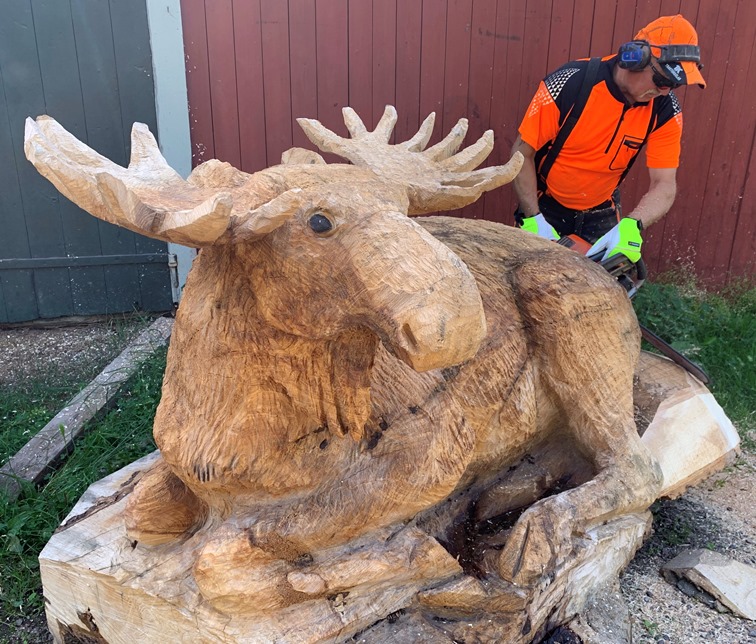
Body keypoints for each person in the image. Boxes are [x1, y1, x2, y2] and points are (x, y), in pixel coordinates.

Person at [511, 14, 706, 263]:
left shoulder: (666, 110)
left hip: (601, 212)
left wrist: (633, 225)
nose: (664, 90)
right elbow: (521, 153)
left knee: (607, 284)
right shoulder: (570, 82)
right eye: (662, 79)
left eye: (674, 85)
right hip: (545, 205)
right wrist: (533, 219)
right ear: (634, 57)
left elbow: (665, 184)